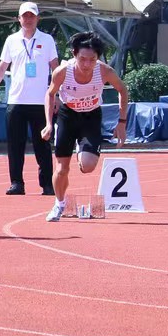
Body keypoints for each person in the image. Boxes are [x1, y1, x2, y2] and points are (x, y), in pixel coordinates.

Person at [40, 33, 129, 222]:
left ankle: (82, 149)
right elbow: (50, 93)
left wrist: (122, 122)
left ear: (98, 58)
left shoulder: (104, 71)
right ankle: (59, 204)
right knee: (62, 169)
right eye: (82, 59)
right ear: (74, 54)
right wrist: (48, 123)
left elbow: (122, 90)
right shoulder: (62, 72)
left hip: (91, 117)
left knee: (87, 166)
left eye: (92, 60)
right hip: (67, 116)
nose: (87, 64)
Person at [0, 1, 59, 196]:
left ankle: (47, 184)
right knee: (15, 145)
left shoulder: (47, 40)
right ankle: (16, 183)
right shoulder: (11, 40)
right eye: (25, 16)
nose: (28, 19)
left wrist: (57, 95)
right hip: (16, 101)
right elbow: (1, 68)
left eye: (32, 15)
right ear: (18, 19)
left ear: (38, 18)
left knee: (42, 145)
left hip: (41, 102)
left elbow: (56, 69)